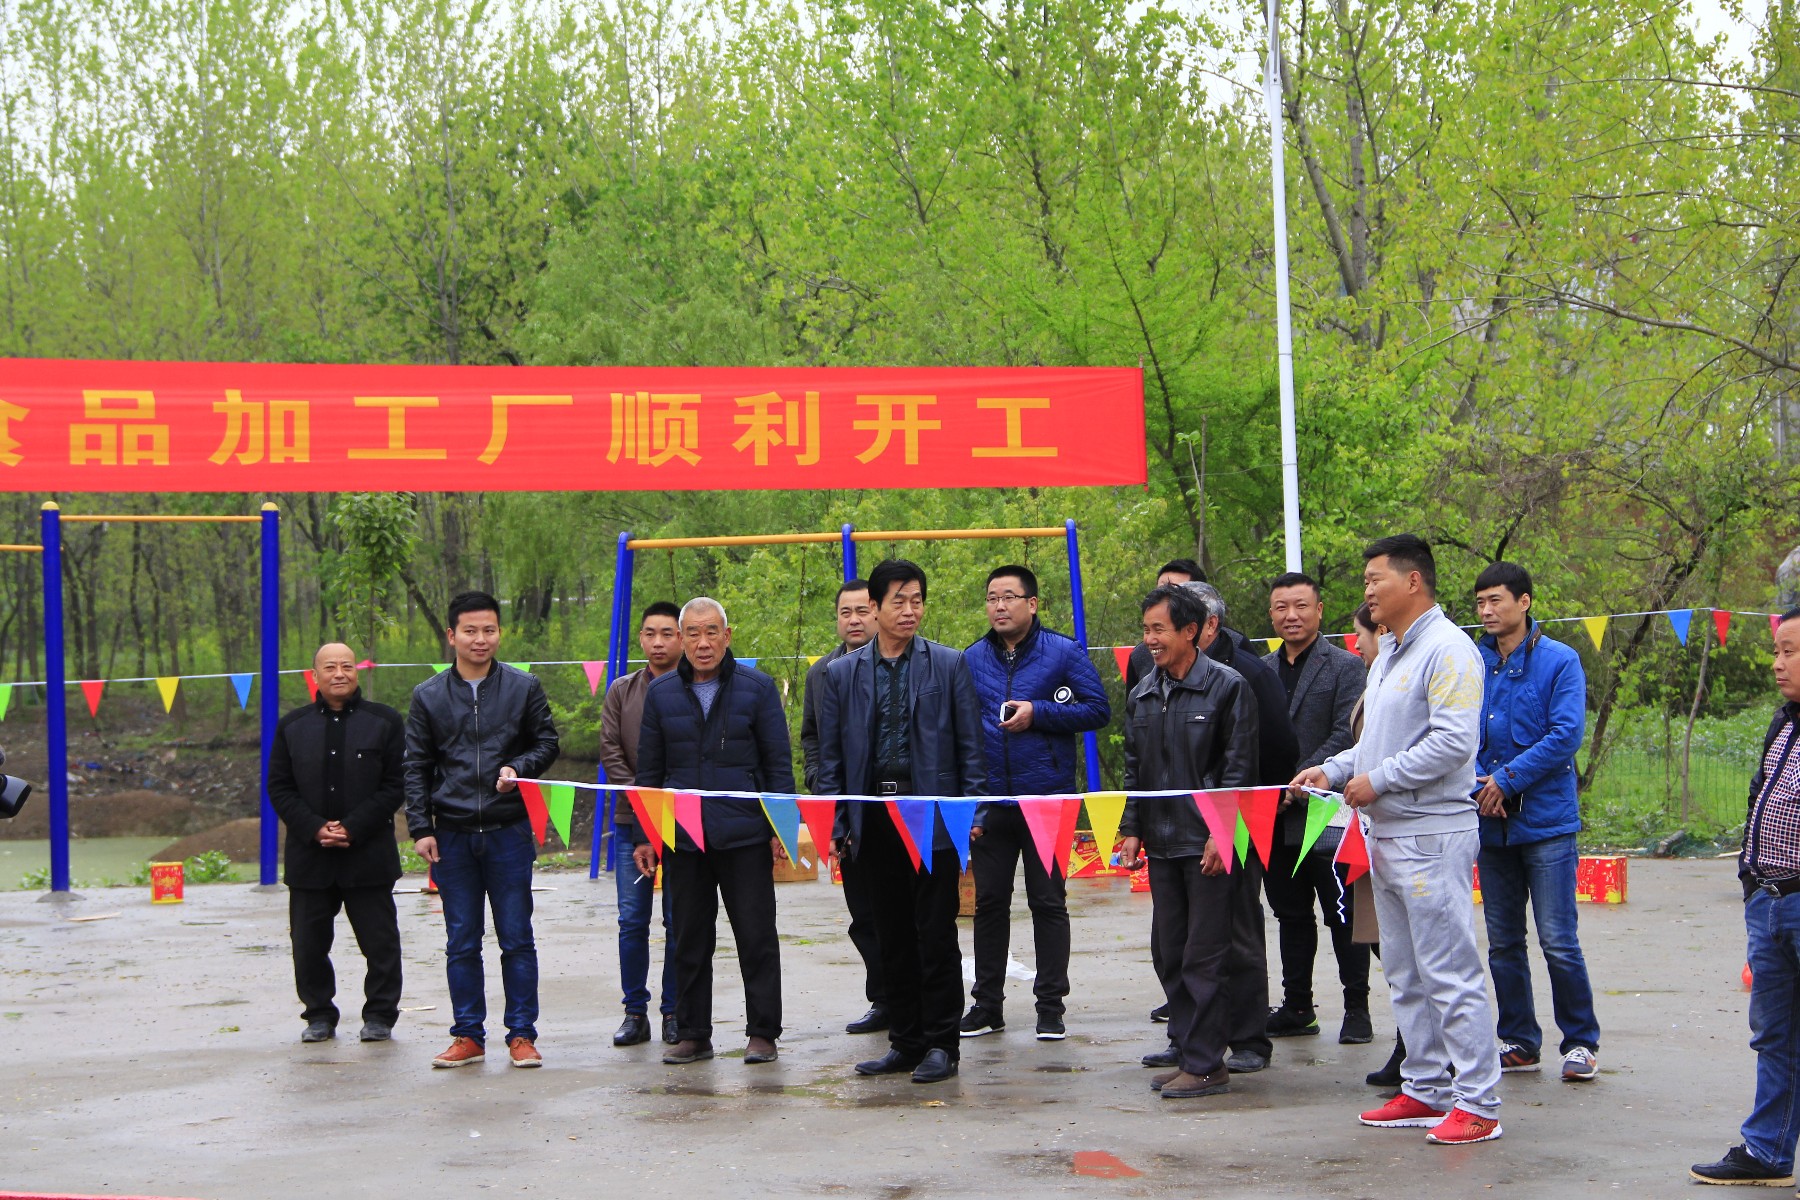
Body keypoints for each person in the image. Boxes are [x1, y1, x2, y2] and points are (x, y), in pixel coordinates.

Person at [1291, 534, 1502, 1145]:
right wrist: (1332, 771)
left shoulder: (1449, 649)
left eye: (1374, 578)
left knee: (1450, 971)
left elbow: (1454, 743)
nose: (1366, 591)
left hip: (1432, 835)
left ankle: (1479, 1102)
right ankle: (1426, 1087)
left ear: (1413, 581)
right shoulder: (1389, 651)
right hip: (1384, 832)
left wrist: (1377, 781)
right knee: (1406, 973)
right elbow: (1372, 744)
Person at [816, 558, 988, 1085]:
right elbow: (831, 758)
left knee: (934, 932)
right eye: (899, 601)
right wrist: (836, 823)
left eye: (917, 600)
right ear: (874, 607)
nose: (910, 610)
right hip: (872, 816)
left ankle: (941, 1044)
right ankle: (905, 1042)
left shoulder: (948, 664)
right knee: (888, 934)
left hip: (932, 813)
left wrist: (973, 810)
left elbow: (970, 744)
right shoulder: (840, 674)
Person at [634, 597, 794, 1066]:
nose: (703, 643)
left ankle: (762, 1032)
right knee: (688, 937)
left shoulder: (758, 688)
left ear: (727, 636)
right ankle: (692, 1033)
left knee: (756, 936)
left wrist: (780, 829)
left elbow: (777, 765)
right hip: (683, 838)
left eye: (711, 632)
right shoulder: (661, 693)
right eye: (693, 633)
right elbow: (649, 773)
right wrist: (646, 835)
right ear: (681, 639)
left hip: (745, 835)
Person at [405, 591, 561, 1069]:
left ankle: (522, 1034)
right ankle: (468, 1035)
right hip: (451, 835)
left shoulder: (523, 686)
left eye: (489, 630)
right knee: (461, 940)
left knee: (516, 936)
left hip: (508, 830)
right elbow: (416, 766)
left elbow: (547, 742)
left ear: (499, 633)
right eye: (470, 631)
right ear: (451, 635)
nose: (480, 639)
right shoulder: (428, 695)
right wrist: (421, 827)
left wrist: (519, 766)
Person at [1117, 583, 1258, 1100]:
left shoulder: (1228, 686)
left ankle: (1205, 1064)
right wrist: (1132, 827)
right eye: (1146, 630)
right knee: (1169, 952)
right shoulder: (1142, 692)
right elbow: (1135, 769)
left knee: (1205, 955)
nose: (1150, 639)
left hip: (1207, 845)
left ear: (1191, 631)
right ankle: (1188, 1049)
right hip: (1162, 843)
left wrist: (1223, 834)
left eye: (1159, 629)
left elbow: (1239, 770)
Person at [961, 564, 1111, 1041]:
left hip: (1047, 799)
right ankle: (987, 1006)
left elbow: (1098, 709)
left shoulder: (1063, 652)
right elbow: (959, 730)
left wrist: (1039, 713)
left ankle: (1050, 1007)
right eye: (992, 598)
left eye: (1009, 596)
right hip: (991, 803)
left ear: (1032, 603)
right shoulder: (970, 659)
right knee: (988, 904)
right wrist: (970, 801)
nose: (999, 606)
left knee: (1048, 901)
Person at [1472, 561, 1599, 1083]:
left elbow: (1565, 734)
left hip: (1546, 824)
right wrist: (1481, 784)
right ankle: (1520, 1040)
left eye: (1496, 600)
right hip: (1488, 822)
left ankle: (1581, 1042)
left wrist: (1508, 779)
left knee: (1558, 940)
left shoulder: (1560, 661)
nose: (1486, 611)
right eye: (1480, 602)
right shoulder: (1471, 663)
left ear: (1524, 602)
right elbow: (1455, 732)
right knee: (1503, 942)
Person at [1693, 608, 1800, 1186]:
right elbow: (1760, 800)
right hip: (1770, 900)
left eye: (1790, 651)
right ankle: (1767, 1152)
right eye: (1777, 651)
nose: (1778, 664)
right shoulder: (1783, 722)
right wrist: (1752, 884)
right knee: (1775, 1034)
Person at [266, 643, 406, 1044]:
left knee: (380, 944)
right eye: (330, 667)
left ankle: (380, 1015)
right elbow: (279, 786)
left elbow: (396, 784)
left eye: (347, 666)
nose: (339, 673)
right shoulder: (292, 726)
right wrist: (313, 827)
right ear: (315, 675)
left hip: (368, 854)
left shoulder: (385, 721)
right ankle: (319, 1015)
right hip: (310, 856)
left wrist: (353, 826)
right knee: (308, 945)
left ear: (357, 671)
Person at [1262, 572, 1371, 1044]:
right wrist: (1275, 787)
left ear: (1319, 610)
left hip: (1329, 811)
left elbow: (1348, 733)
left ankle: (1357, 1009)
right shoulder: (1260, 670)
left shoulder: (1346, 666)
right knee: (1289, 915)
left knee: (1343, 914)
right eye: (1282, 607)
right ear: (1271, 614)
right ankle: (1297, 1006)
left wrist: (1302, 777)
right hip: (1275, 814)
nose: (1292, 616)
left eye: (1301, 606)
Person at [801, 579, 888, 1035]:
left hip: (895, 805)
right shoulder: (822, 673)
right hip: (845, 811)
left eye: (862, 610)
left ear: (877, 613)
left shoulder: (897, 664)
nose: (854, 620)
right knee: (864, 914)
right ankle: (883, 999)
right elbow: (812, 738)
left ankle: (921, 997)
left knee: (907, 911)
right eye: (845, 612)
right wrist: (820, 784)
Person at [599, 600, 684, 1048]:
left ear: (682, 638)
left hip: (683, 820)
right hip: (631, 817)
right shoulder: (622, 690)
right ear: (640, 639)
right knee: (632, 920)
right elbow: (611, 751)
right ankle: (635, 1011)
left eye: (667, 633)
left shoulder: (696, 685)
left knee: (678, 920)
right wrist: (644, 801)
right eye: (650, 633)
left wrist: (665, 803)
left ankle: (674, 1010)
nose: (658, 642)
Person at [1349, 602, 1407, 1090]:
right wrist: (1330, 769)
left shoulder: (1408, 673)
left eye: (1361, 635)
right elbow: (1362, 751)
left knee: (1406, 953)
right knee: (1385, 945)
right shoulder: (1377, 675)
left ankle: (1420, 1048)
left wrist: (1375, 781)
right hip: (1369, 831)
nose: (1356, 644)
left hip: (1402, 828)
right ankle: (1412, 1045)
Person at [1123, 559, 1206, 693]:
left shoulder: (1228, 677)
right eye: (1162, 591)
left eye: (1176, 591)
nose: (1150, 640)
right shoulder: (1140, 657)